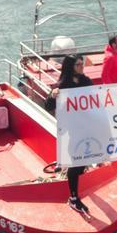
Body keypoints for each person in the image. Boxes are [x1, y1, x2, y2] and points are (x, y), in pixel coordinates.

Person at [45, 55, 92, 214]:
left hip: (86, 126)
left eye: (82, 64)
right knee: (76, 160)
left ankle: (76, 172)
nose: (81, 67)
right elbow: (48, 105)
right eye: (78, 65)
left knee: (83, 159)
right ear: (71, 66)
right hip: (72, 128)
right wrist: (53, 94)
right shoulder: (63, 85)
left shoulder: (86, 81)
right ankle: (73, 198)